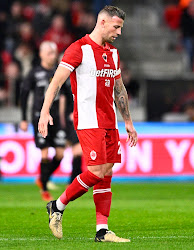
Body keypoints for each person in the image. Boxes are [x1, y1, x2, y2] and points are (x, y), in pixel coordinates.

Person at [38, 6, 137, 243]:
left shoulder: (113, 53)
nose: (119, 32)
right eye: (116, 27)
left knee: (107, 172)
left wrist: (128, 121)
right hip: (88, 121)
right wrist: (44, 113)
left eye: (120, 28)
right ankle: (57, 205)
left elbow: (119, 89)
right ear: (102, 22)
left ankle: (102, 230)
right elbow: (56, 83)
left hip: (110, 122)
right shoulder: (78, 49)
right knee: (96, 171)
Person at [20, 41, 66, 201]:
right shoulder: (34, 73)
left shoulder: (59, 72)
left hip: (56, 118)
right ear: (41, 54)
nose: (53, 56)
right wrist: (24, 119)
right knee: (45, 152)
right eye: (49, 53)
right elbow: (24, 94)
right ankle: (44, 188)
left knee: (60, 153)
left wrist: (70, 113)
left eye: (54, 53)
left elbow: (67, 91)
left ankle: (42, 178)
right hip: (40, 117)